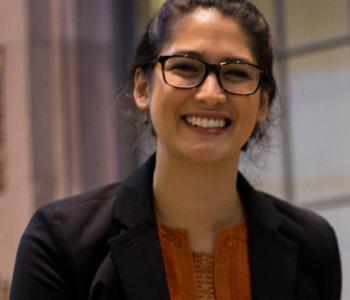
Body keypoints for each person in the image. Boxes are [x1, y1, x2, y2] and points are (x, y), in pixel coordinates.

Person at [10, 0, 341, 299]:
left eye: (237, 73)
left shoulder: (312, 244)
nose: (211, 94)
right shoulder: (61, 242)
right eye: (185, 66)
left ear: (263, 103)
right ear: (143, 88)